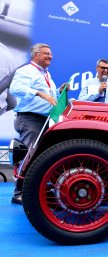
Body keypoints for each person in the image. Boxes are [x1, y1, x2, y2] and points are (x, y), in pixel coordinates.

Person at [9, 43, 68, 204]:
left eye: (51, 54)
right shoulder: (25, 71)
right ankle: (18, 192)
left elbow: (50, 98)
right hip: (29, 119)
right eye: (46, 53)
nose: (50, 56)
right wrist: (38, 92)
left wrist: (59, 91)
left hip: (43, 120)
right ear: (36, 55)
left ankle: (33, 188)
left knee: (40, 156)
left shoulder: (46, 74)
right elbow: (14, 88)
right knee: (30, 154)